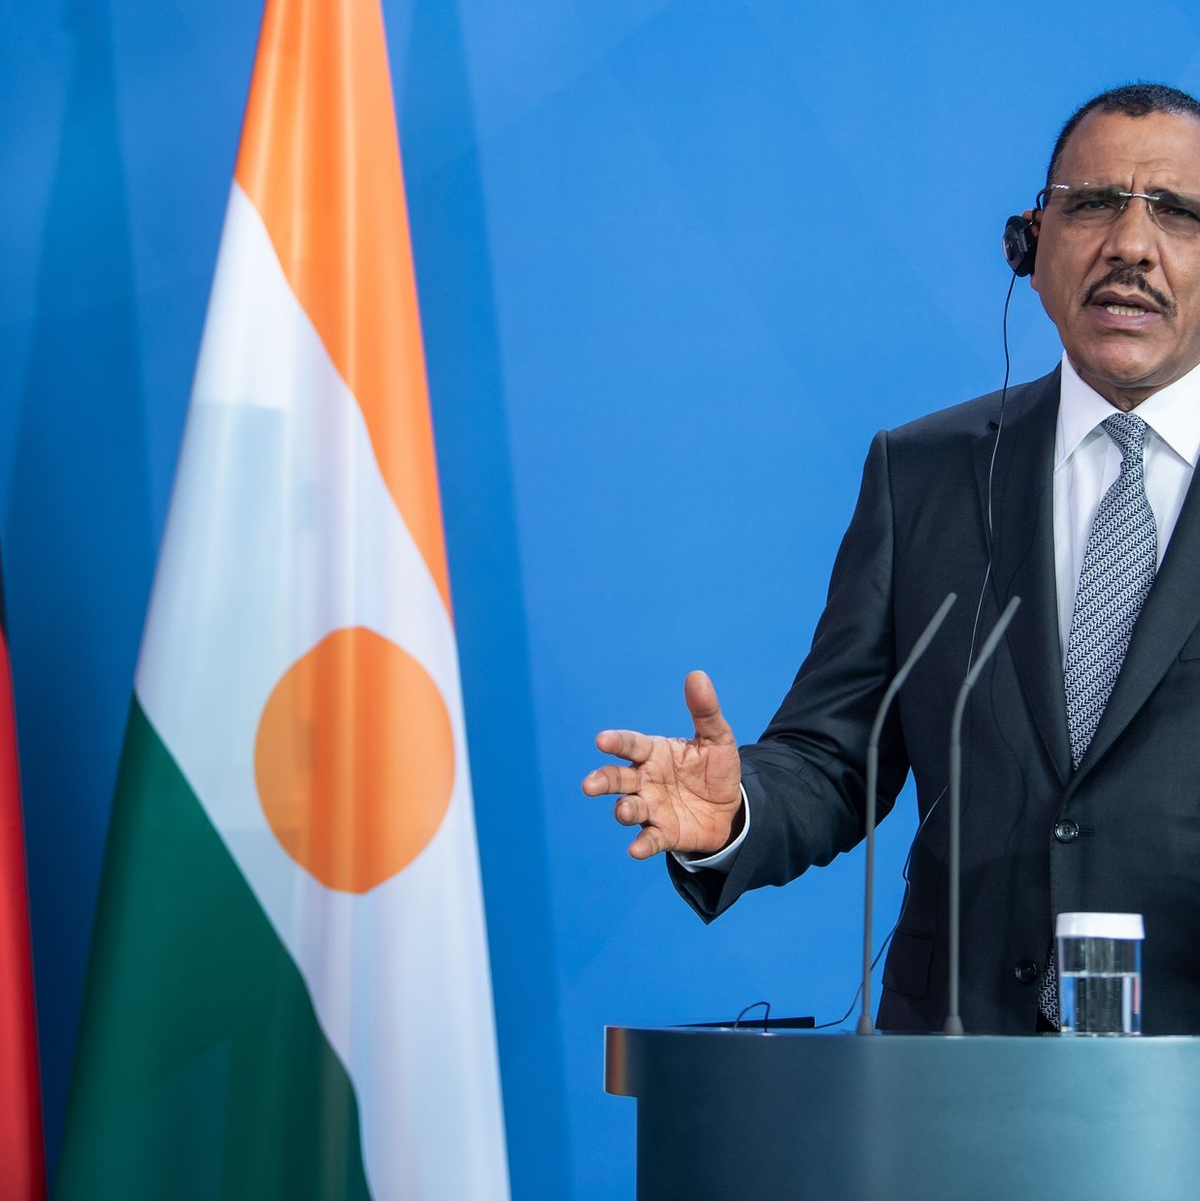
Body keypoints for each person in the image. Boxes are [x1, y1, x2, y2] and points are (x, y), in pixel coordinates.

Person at [582, 83, 1200, 1035]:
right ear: (1030, 250)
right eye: (1091, 204)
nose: (1129, 244)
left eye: (1177, 213)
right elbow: (836, 757)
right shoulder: (925, 474)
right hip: (953, 1083)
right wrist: (737, 804)